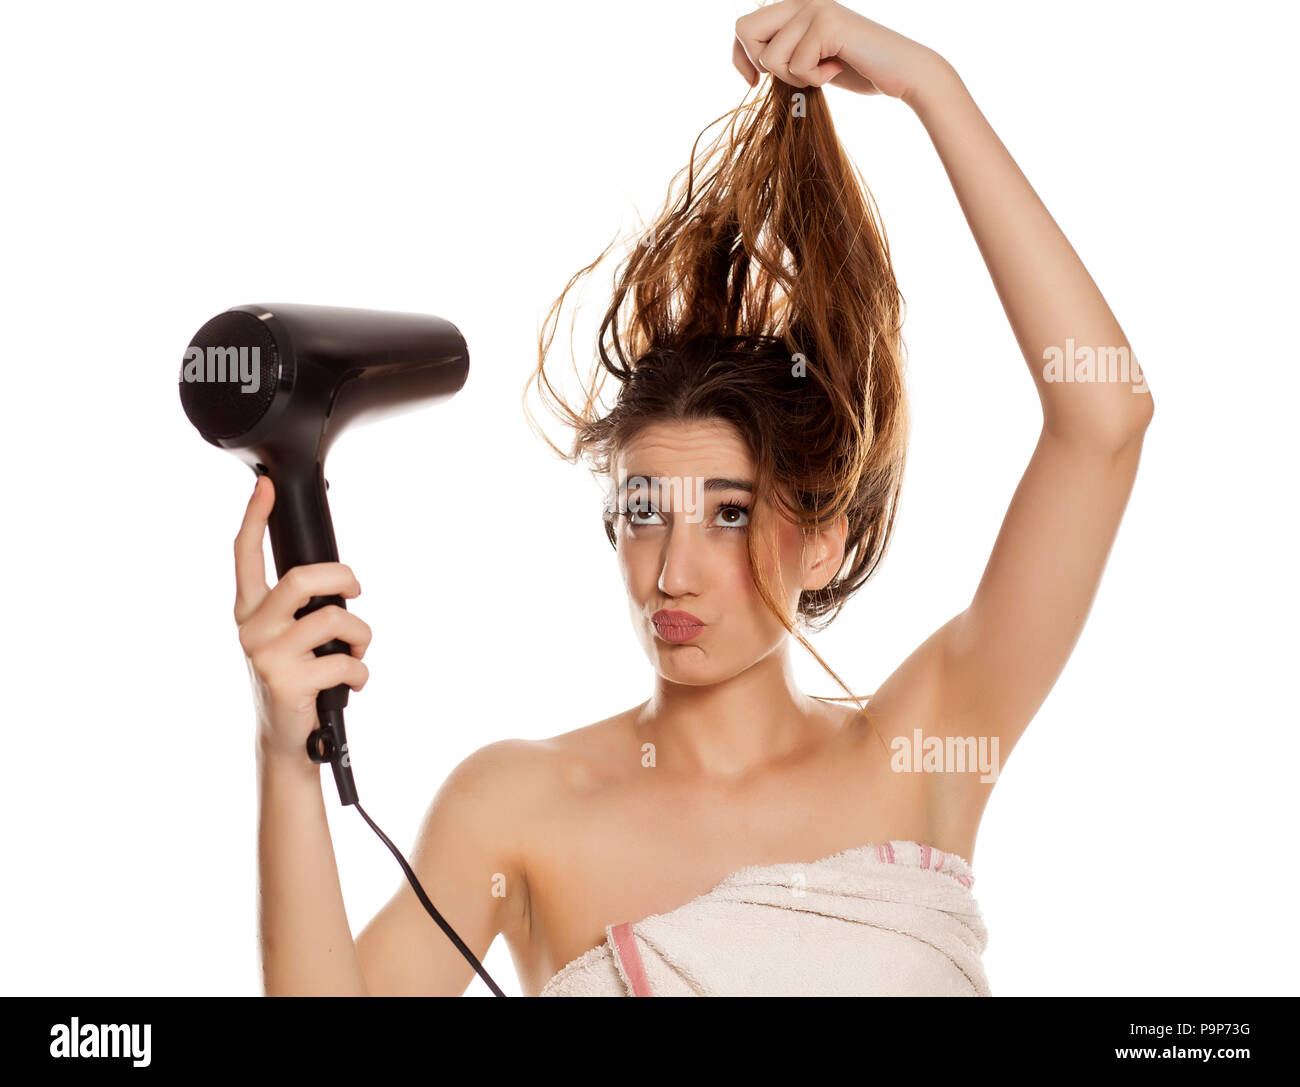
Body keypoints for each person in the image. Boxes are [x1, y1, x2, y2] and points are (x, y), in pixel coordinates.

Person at [239, 0, 1152, 996]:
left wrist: (930, 84)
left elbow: (1103, 421)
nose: (669, 570)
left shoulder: (920, 750)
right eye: (643, 510)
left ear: (823, 542)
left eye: (727, 512)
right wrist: (286, 754)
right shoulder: (516, 805)